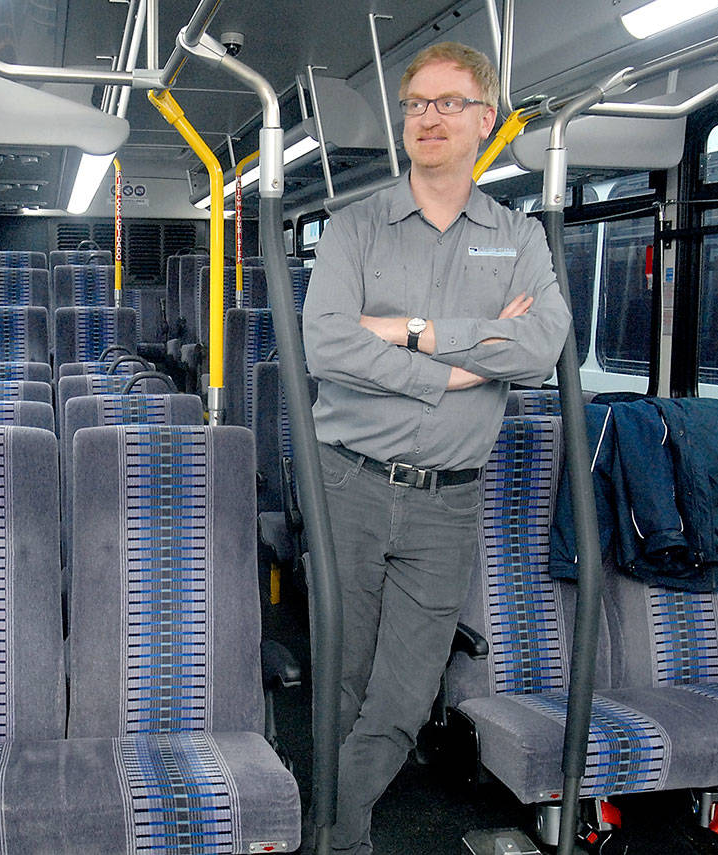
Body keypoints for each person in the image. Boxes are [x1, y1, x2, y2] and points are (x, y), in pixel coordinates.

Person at [301, 41, 572, 853]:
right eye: (416, 103)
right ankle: (341, 836)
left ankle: (326, 816)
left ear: (485, 120)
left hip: (449, 498)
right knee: (339, 680)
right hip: (347, 481)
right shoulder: (355, 229)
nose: (428, 117)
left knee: (407, 692)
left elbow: (542, 346)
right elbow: (329, 349)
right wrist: (457, 371)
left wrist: (416, 333)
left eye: (449, 103)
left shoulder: (517, 236)